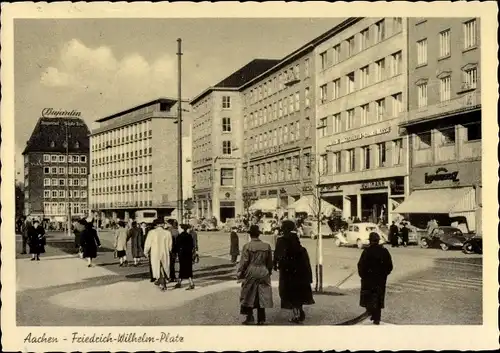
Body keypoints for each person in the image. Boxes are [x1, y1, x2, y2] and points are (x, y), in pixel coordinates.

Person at [273, 220, 315, 324]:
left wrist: (275, 264)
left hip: (287, 272)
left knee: (289, 293)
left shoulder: (281, 240)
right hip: (300, 272)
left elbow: (278, 255)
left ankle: (296, 315)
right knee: (298, 293)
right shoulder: (297, 241)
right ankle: (299, 311)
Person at [237, 225, 273, 325]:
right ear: (258, 234)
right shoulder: (267, 246)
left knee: (248, 293)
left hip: (251, 270)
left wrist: (240, 274)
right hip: (263, 270)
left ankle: (250, 317)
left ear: (250, 235)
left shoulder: (247, 246)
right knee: (262, 294)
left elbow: (244, 262)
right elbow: (270, 262)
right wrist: (268, 272)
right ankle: (261, 319)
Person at [357, 232, 393, 325]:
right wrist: (384, 274)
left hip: (368, 280)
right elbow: (390, 266)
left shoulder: (367, 251)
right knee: (378, 298)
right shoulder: (384, 251)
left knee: (369, 297)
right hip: (380, 280)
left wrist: (363, 276)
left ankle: (370, 313)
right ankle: (377, 317)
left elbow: (361, 265)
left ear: (370, 241)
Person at [144, 218, 172, 291]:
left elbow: (147, 244)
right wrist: (169, 250)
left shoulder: (151, 232)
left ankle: (162, 283)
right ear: (162, 224)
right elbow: (170, 245)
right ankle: (162, 281)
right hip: (165, 252)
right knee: (164, 267)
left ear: (156, 225)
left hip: (155, 252)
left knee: (157, 267)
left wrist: (146, 252)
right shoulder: (167, 233)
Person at [174, 224, 196, 290]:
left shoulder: (179, 236)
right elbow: (192, 245)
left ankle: (190, 283)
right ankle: (183, 282)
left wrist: (176, 253)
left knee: (182, 268)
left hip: (182, 254)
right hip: (188, 254)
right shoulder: (189, 236)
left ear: (181, 229)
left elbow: (176, 246)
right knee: (188, 268)